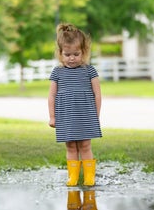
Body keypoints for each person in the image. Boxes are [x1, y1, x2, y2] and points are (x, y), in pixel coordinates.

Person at [48, 23, 102, 187]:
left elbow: (97, 94)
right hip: (65, 116)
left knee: (85, 145)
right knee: (71, 146)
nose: (72, 58)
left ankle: (89, 176)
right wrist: (52, 116)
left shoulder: (89, 71)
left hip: (85, 115)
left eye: (76, 54)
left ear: (84, 52)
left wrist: (96, 115)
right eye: (67, 54)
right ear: (60, 53)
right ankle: (72, 176)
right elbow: (51, 95)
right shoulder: (57, 72)